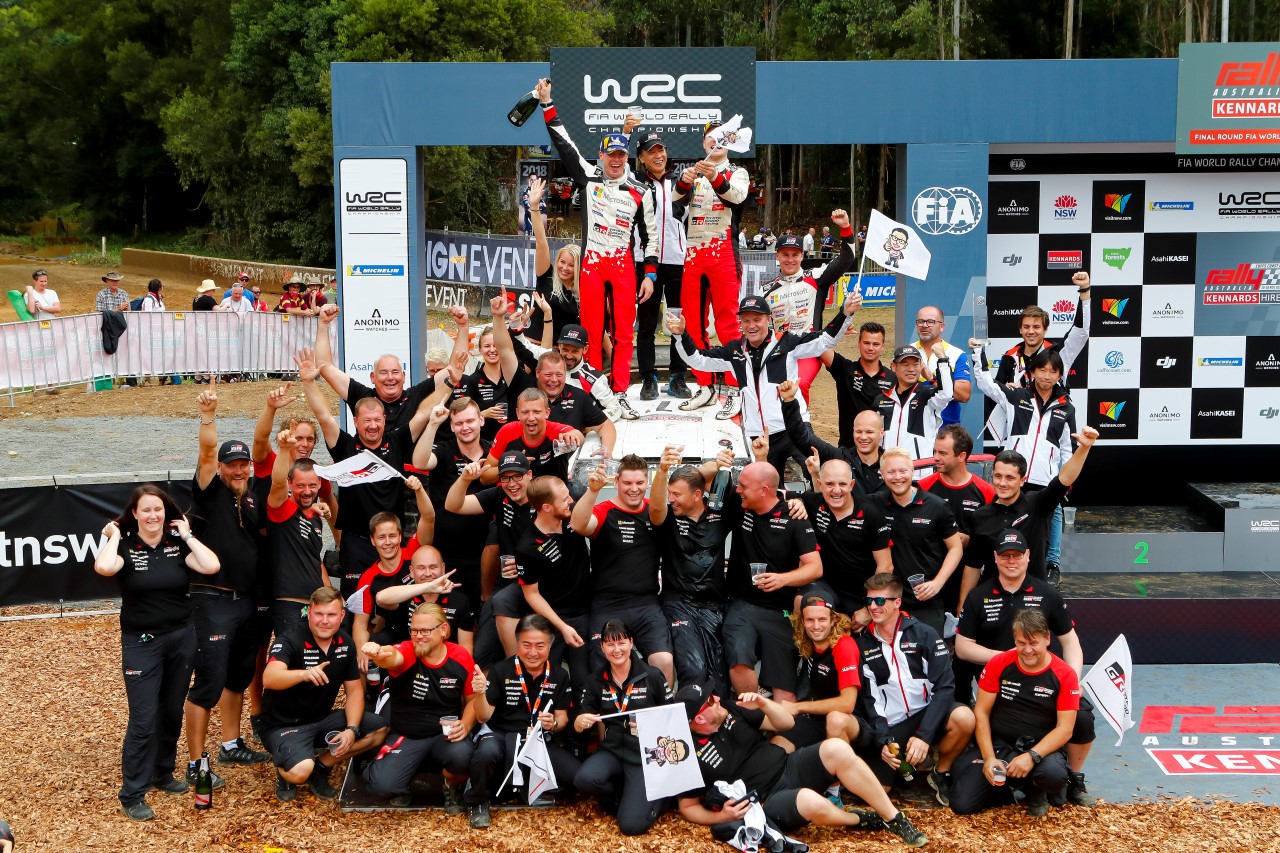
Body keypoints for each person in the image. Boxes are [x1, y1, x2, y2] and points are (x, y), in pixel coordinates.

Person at [94, 485, 220, 822]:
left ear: (166, 513)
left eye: (158, 509)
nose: (153, 516)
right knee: (143, 718)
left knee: (171, 711)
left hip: (181, 638)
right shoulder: (125, 546)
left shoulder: (176, 544)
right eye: (146, 510)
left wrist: (188, 534)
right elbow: (104, 568)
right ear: (134, 513)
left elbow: (211, 565)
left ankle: (162, 772)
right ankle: (132, 793)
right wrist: (113, 536)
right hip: (142, 642)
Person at [675, 682, 927, 848]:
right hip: (765, 801)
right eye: (710, 700)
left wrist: (764, 703)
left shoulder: (731, 709)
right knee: (812, 801)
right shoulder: (686, 753)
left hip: (787, 765)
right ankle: (858, 819)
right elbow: (688, 806)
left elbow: (786, 724)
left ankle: (894, 818)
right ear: (699, 718)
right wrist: (721, 816)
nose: (717, 698)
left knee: (836, 748)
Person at [537, 78, 658, 408]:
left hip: (622, 267)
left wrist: (650, 275)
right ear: (601, 155)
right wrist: (547, 104)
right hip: (591, 265)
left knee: (624, 333)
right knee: (590, 330)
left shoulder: (640, 190)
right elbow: (564, 143)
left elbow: (651, 237)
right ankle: (591, 393)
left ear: (627, 157)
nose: (616, 160)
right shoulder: (588, 177)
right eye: (611, 154)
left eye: (621, 154)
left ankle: (620, 392)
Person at [955, 528, 1096, 806]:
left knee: (1080, 715)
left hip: (1045, 683)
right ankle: (1013, 777)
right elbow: (962, 647)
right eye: (1005, 556)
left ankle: (1072, 777)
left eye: (1017, 555)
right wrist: (1004, 658)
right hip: (1001, 686)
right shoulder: (978, 595)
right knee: (963, 796)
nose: (1011, 561)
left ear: (1028, 556)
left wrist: (1073, 680)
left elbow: (1071, 642)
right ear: (995, 558)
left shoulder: (1048, 594)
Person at [296, 345, 439, 600]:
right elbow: (324, 416)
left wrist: (449, 383)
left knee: (394, 602)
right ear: (355, 422)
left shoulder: (397, 441)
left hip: (390, 540)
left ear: (384, 420)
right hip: (357, 542)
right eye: (366, 421)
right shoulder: (344, 446)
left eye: (377, 420)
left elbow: (425, 412)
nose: (372, 426)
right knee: (355, 605)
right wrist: (309, 382)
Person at [671, 291, 862, 481]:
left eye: (757, 319)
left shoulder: (787, 342)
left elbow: (825, 340)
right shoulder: (734, 351)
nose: (751, 325)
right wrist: (681, 335)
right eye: (746, 320)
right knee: (768, 488)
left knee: (818, 475)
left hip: (794, 427)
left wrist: (845, 313)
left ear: (768, 319)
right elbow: (698, 360)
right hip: (760, 436)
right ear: (740, 323)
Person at [186, 380, 271, 786]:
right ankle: (196, 762)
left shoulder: (251, 497)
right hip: (213, 599)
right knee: (209, 679)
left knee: (237, 675)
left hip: (246, 601)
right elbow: (205, 452)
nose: (238, 470)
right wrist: (208, 416)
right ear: (220, 468)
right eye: (231, 465)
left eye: (243, 464)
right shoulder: (209, 491)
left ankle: (231, 743)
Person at [854, 574, 974, 806]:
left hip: (927, 714)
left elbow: (945, 687)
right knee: (879, 791)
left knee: (964, 717)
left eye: (880, 601)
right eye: (869, 601)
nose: (873, 606)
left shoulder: (923, 633)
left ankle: (940, 772)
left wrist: (923, 737)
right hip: (893, 723)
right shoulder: (863, 644)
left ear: (897, 602)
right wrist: (883, 741)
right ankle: (911, 763)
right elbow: (870, 700)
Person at [260, 587, 389, 802]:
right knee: (300, 771)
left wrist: (351, 729)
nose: (325, 621)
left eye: (331, 614)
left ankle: (321, 766)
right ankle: (287, 770)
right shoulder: (290, 639)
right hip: (283, 725)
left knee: (379, 728)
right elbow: (269, 677)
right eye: (319, 614)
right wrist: (303, 674)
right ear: (309, 613)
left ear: (342, 615)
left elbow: (355, 692)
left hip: (320, 719)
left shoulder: (345, 642)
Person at [949, 609, 1080, 818]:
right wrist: (989, 758)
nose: (1027, 650)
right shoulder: (999, 663)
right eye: (1021, 643)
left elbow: (1065, 729)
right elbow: (981, 713)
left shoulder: (1065, 673)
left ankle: (1036, 789)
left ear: (1047, 639)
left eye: (1034, 643)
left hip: (1040, 749)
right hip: (1000, 745)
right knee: (961, 803)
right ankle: (1009, 788)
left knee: (1053, 775)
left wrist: (1031, 756)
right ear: (1014, 640)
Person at [972, 341, 1077, 585]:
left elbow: (1067, 448)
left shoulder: (1066, 408)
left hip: (1044, 481)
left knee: (1043, 536)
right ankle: (996, 572)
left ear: (1060, 375)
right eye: (1042, 370)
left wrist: (1065, 480)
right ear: (1032, 372)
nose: (1047, 375)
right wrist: (978, 353)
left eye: (1053, 371)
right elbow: (986, 383)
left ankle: (1047, 571)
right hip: (1014, 479)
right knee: (1006, 528)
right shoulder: (1016, 396)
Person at [959, 425, 1099, 602]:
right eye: (998, 476)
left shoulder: (1037, 504)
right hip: (993, 602)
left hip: (1034, 600)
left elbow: (1064, 479)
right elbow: (973, 566)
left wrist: (1084, 447)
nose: (1002, 483)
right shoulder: (980, 516)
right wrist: (962, 608)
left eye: (1010, 478)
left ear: (1022, 480)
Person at [362, 605, 480, 811]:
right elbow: (392, 656)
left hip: (443, 735)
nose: (418, 636)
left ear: (443, 630)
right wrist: (378, 653)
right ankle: (402, 780)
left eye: (425, 631)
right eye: (414, 630)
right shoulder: (409, 650)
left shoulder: (460, 656)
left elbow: (472, 701)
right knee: (380, 785)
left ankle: (450, 784)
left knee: (466, 758)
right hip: (408, 735)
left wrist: (466, 725)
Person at [648, 442, 744, 695]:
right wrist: (663, 471)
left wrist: (719, 462)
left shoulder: (719, 512)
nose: (671, 499)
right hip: (677, 603)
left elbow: (755, 498)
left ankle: (718, 718)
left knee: (719, 676)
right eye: (670, 493)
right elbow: (656, 509)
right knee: (693, 669)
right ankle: (688, 715)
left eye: (677, 494)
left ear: (697, 494)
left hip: (713, 604)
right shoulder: (669, 517)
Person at [468, 614, 580, 829]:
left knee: (576, 776)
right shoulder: (501, 670)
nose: (533, 652)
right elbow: (483, 717)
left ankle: (527, 785)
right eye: (526, 645)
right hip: (502, 735)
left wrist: (553, 724)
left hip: (538, 738)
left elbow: (563, 718)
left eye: (540, 646)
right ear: (517, 643)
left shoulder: (559, 675)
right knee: (486, 752)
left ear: (550, 646)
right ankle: (478, 801)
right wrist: (480, 693)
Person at [723, 461, 822, 703]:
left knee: (784, 692)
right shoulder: (740, 505)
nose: (738, 490)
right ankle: (753, 716)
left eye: (743, 486)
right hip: (742, 604)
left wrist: (782, 579)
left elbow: (815, 567)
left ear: (764, 490)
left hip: (781, 609)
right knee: (738, 658)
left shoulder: (795, 517)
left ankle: (780, 724)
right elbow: (703, 481)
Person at [570, 454, 673, 683]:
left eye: (639, 482)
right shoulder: (604, 509)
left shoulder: (654, 510)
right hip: (607, 604)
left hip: (646, 603)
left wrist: (664, 470)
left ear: (647, 483)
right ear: (616, 482)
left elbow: (660, 511)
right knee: (602, 663)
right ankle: (610, 707)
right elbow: (578, 524)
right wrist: (593, 490)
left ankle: (663, 705)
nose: (634, 489)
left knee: (664, 660)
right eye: (627, 483)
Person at [673, 120, 752, 414]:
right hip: (694, 255)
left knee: (728, 323)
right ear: (704, 143)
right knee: (693, 324)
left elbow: (737, 196)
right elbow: (674, 202)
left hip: (723, 254)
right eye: (710, 137)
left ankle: (734, 387)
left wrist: (715, 175)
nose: (715, 141)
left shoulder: (737, 172)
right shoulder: (693, 173)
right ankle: (704, 386)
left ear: (728, 143)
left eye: (720, 137)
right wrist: (683, 181)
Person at [574, 620, 676, 835]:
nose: (616, 649)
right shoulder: (595, 680)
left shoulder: (652, 675)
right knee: (584, 779)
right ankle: (619, 799)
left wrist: (650, 724)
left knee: (631, 826)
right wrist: (581, 721)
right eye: (610, 644)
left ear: (631, 643)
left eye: (621, 642)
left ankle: (663, 797)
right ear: (602, 647)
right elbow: (580, 720)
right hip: (612, 750)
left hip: (644, 755)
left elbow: (672, 717)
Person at [443, 449, 535, 664]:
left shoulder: (543, 496)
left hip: (541, 583)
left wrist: (525, 564)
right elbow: (452, 505)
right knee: (482, 653)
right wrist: (465, 479)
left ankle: (519, 671)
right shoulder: (499, 495)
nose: (512, 484)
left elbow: (559, 547)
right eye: (505, 478)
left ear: (529, 475)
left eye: (517, 476)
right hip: (508, 581)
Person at [623, 126, 691, 400]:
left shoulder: (681, 183)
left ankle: (678, 377)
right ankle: (648, 378)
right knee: (647, 325)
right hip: (645, 263)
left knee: (677, 323)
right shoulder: (634, 182)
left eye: (661, 149)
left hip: (677, 263)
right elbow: (615, 165)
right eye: (651, 152)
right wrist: (625, 133)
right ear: (641, 157)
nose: (658, 155)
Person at [762, 210, 858, 403]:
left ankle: (801, 422)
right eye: (785, 255)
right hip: (779, 350)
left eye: (795, 255)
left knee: (799, 385)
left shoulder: (815, 277)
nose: (790, 260)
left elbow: (846, 259)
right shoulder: (765, 290)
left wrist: (845, 227)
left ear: (802, 255)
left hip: (809, 347)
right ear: (777, 256)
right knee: (773, 393)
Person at [791, 446, 891, 623]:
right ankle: (800, 641)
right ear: (820, 485)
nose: (836, 490)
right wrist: (795, 501)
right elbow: (775, 494)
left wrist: (870, 607)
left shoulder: (870, 514)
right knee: (802, 601)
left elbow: (886, 566)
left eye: (842, 484)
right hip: (825, 587)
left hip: (860, 594)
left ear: (851, 485)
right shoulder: (812, 503)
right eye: (829, 484)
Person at [414, 397, 494, 612]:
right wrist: (432, 424)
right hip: (447, 552)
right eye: (459, 423)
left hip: (485, 552)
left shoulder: (494, 452)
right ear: (451, 426)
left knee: (483, 614)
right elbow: (420, 462)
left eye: (470, 421)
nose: (465, 427)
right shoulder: (443, 450)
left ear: (481, 420)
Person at [515, 475, 594, 693]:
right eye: (564, 499)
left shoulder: (572, 517)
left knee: (583, 682)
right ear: (547, 507)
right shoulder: (527, 546)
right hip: (551, 620)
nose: (571, 501)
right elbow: (531, 594)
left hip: (584, 614)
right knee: (547, 682)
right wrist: (562, 627)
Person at [875, 447, 964, 637]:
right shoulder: (874, 504)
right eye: (891, 472)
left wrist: (937, 582)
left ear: (912, 471)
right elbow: (840, 502)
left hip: (927, 601)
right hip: (889, 602)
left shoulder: (937, 506)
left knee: (930, 654)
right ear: (881, 474)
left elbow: (956, 548)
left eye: (903, 471)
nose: (897, 477)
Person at [350, 482, 435, 675]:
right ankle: (368, 693)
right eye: (381, 537)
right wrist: (362, 651)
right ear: (373, 540)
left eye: (392, 536)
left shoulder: (414, 553)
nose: (387, 542)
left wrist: (419, 490)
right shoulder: (368, 577)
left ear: (400, 536)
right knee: (363, 654)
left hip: (427, 629)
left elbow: (429, 518)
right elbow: (360, 624)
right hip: (395, 634)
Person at [773, 592, 862, 755]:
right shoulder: (806, 642)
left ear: (833, 619)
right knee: (776, 748)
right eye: (810, 620)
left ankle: (841, 770)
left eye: (822, 619)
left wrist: (797, 707)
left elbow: (847, 704)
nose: (816, 626)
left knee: (835, 720)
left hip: (854, 719)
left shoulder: (844, 645)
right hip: (819, 718)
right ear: (802, 621)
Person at [263, 431, 333, 638]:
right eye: (300, 485)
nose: (307, 491)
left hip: (316, 606)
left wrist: (332, 596)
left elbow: (314, 560)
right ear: (290, 484)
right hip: (289, 605)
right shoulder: (282, 510)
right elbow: (277, 483)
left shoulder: (315, 515)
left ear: (319, 484)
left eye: (312, 485)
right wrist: (284, 450)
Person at [780, 380, 887, 497]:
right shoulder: (840, 457)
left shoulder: (891, 464)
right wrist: (789, 401)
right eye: (858, 431)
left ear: (881, 433)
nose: (863, 437)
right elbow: (802, 438)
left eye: (869, 432)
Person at [994, 272, 1092, 388]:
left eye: (1036, 327)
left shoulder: (1057, 353)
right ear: (1020, 329)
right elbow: (995, 394)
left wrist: (1084, 289)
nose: (1031, 331)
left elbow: (1081, 330)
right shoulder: (1010, 358)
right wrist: (1007, 391)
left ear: (1045, 329)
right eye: (1026, 327)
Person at [482, 388, 584, 483]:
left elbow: (578, 436)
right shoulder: (507, 431)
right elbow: (484, 478)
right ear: (517, 413)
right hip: (514, 492)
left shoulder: (556, 431)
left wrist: (573, 436)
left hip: (551, 492)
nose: (531, 418)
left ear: (547, 413)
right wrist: (511, 466)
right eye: (525, 412)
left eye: (536, 412)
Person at [820, 321, 894, 449]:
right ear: (859, 343)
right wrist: (838, 333)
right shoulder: (845, 369)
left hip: (882, 451)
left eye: (875, 344)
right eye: (866, 343)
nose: (870, 348)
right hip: (848, 450)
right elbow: (819, 346)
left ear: (883, 346)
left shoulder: (893, 378)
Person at [877, 343, 955, 464]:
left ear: (921, 366)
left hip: (920, 470)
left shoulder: (927, 395)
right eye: (905, 364)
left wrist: (942, 359)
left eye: (915, 364)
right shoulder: (882, 399)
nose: (911, 369)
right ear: (893, 367)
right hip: (889, 470)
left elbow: (947, 394)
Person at [526, 176, 582, 345]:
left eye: (571, 265)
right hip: (533, 346)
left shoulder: (582, 292)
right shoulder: (547, 276)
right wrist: (534, 207)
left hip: (560, 353)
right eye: (562, 262)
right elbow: (541, 243)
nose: (564, 268)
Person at [911, 306, 972, 426]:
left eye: (930, 321)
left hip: (946, 429)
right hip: (914, 428)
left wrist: (932, 379)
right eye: (921, 321)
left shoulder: (956, 354)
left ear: (942, 326)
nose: (924, 325)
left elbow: (963, 395)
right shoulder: (906, 353)